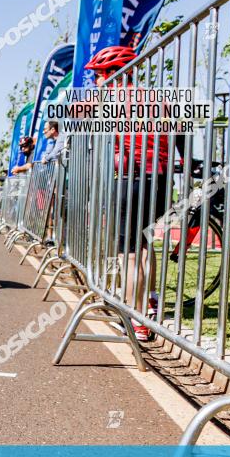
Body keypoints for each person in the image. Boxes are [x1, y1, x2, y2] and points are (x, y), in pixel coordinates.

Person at [86, 44, 181, 341]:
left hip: (130, 178)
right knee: (143, 246)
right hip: (161, 181)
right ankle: (148, 303)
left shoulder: (107, 101)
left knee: (128, 255)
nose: (95, 82)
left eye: (99, 75)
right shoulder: (160, 100)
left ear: (114, 73)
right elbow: (179, 135)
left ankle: (133, 319)